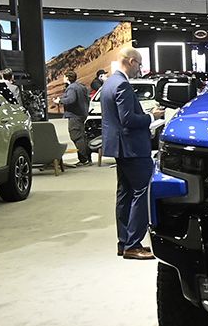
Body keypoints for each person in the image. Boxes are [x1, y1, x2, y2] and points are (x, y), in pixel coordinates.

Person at [99, 45, 157, 260]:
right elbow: (128, 120)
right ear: (131, 61)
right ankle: (133, 245)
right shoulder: (122, 85)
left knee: (125, 194)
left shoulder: (109, 83)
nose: (139, 69)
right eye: (139, 65)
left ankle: (124, 242)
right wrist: (152, 117)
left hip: (120, 148)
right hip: (133, 148)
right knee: (143, 192)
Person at [58, 70, 92, 166]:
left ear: (67, 78)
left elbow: (71, 99)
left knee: (76, 136)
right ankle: (87, 158)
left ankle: (83, 159)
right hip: (82, 115)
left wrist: (60, 101)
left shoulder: (71, 88)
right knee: (81, 136)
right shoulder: (81, 86)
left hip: (74, 115)